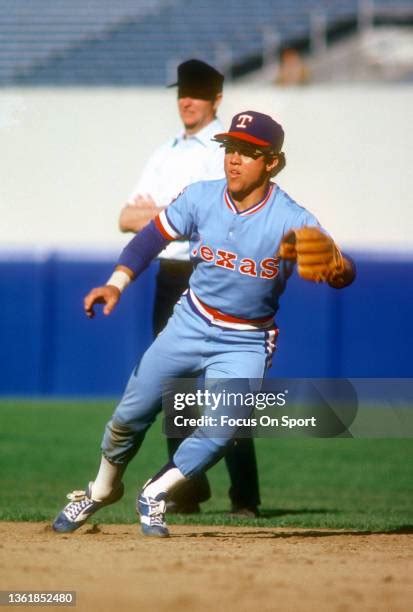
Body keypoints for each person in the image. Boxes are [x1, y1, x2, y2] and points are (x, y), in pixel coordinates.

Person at [52, 110, 355, 538]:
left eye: (248, 153)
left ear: (272, 163)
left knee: (223, 428)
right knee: (130, 415)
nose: (234, 159)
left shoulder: (293, 219)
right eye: (230, 148)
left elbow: (343, 271)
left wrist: (338, 270)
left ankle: (155, 493)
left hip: (246, 339)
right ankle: (101, 490)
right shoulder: (200, 197)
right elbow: (149, 239)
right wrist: (115, 284)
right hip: (189, 322)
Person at [118, 58, 261, 516]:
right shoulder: (167, 153)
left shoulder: (222, 151)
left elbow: (219, 219)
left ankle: (245, 497)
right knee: (174, 387)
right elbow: (126, 219)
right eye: (182, 91)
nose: (186, 100)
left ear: (216, 99)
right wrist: (174, 215)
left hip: (215, 273)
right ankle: (189, 487)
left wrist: (162, 215)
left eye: (196, 92)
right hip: (170, 275)